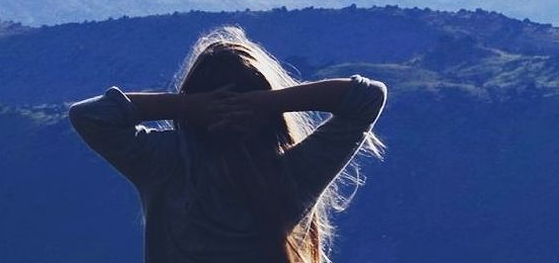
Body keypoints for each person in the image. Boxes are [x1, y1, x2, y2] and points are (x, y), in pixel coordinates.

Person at [69, 24, 387, 263]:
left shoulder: (165, 162)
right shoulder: (296, 172)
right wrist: (268, 102)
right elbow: (367, 97)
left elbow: (90, 115)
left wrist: (187, 105)